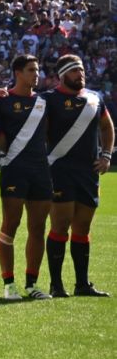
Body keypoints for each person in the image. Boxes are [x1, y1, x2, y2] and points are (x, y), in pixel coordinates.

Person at [44, 55, 113, 297]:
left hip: (88, 172)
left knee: (82, 227)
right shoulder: (49, 99)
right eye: (74, 71)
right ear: (63, 75)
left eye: (81, 70)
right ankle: (56, 285)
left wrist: (106, 155)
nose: (80, 74)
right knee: (60, 225)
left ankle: (82, 284)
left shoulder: (94, 98)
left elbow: (107, 127)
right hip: (59, 171)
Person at [0, 54, 53, 300]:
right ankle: (9, 285)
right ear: (17, 72)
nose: (36, 74)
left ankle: (31, 284)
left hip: (41, 171)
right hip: (14, 169)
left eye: (37, 70)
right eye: (31, 70)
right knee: (10, 226)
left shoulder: (45, 102)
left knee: (37, 228)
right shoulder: (2, 102)